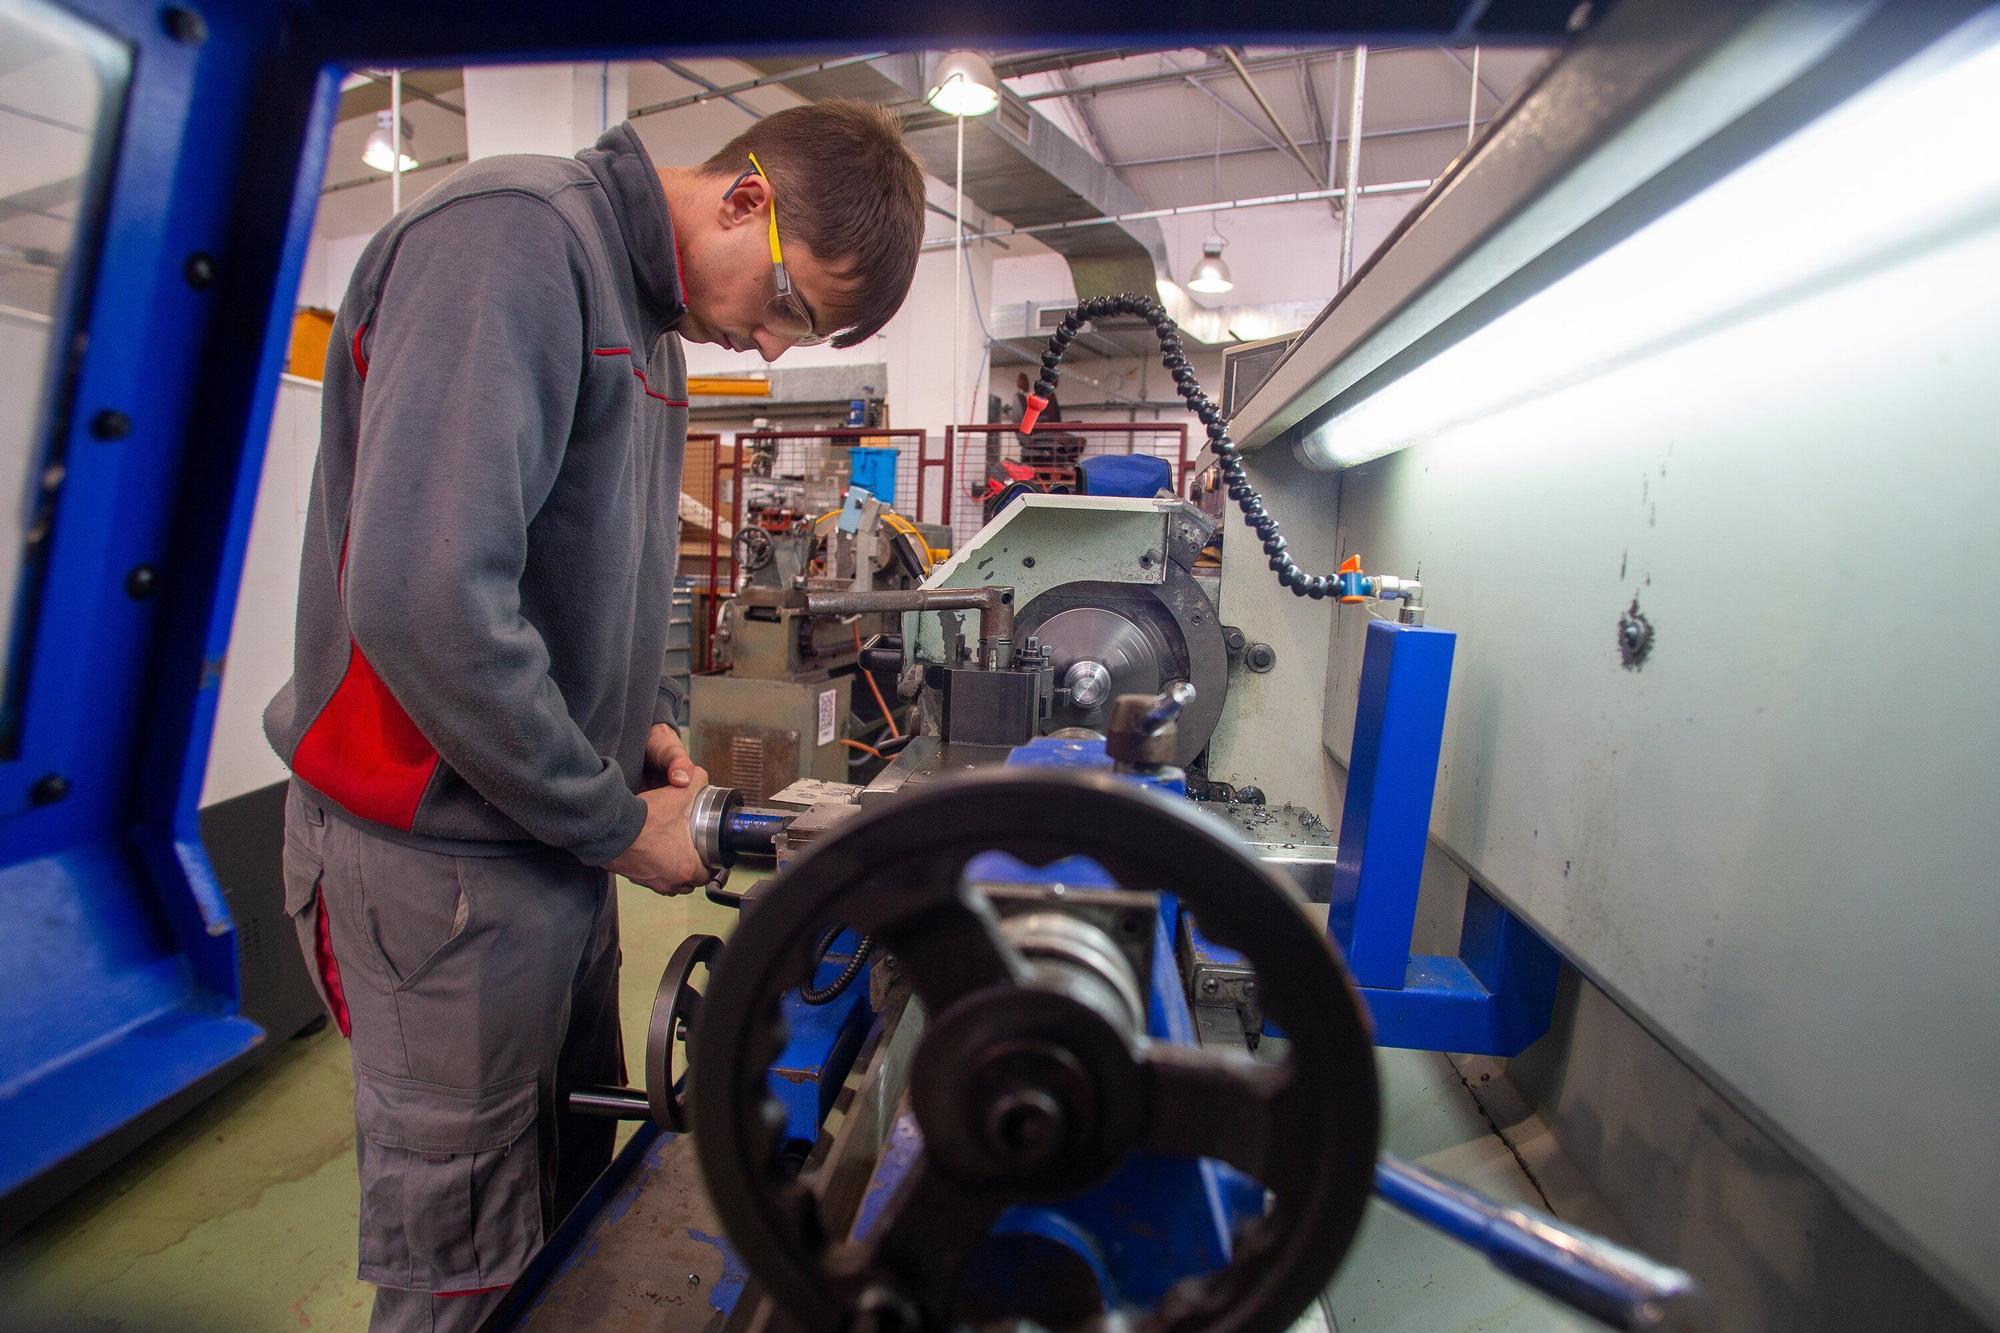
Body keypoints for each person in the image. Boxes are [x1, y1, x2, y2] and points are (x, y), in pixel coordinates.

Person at [264, 100, 927, 1331]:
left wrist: (645, 728)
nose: (776, 350)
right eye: (790, 307)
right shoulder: (513, 238)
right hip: (438, 864)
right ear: (742, 200)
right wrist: (612, 821)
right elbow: (425, 600)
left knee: (567, 1225)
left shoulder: (655, 331)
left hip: (541, 847)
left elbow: (597, 568)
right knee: (464, 1267)